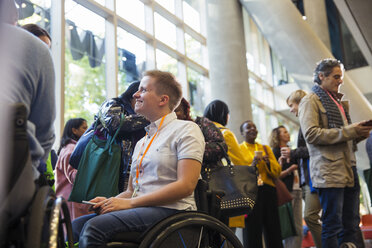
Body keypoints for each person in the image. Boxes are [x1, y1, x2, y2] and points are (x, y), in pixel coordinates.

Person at [71, 70, 205, 247]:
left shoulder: (186, 130)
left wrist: (130, 203)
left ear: (163, 100)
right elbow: (131, 190)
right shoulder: (142, 141)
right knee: (75, 226)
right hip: (143, 209)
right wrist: (111, 201)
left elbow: (186, 186)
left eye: (143, 90)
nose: (135, 94)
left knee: (93, 228)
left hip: (173, 211)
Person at [299, 58, 372, 247]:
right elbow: (311, 134)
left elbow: (341, 137)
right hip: (329, 171)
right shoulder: (310, 100)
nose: (340, 81)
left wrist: (359, 134)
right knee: (332, 225)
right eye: (336, 77)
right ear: (321, 76)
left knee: (350, 224)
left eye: (341, 77)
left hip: (348, 168)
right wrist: (350, 131)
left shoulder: (337, 101)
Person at [282, 89, 322, 247]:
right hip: (307, 179)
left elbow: (313, 148)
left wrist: (293, 153)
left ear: (300, 102)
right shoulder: (305, 121)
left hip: (313, 177)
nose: (291, 110)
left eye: (292, 105)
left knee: (310, 216)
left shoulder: (309, 121)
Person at [239, 120, 283, 248]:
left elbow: (277, 172)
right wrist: (252, 164)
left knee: (273, 228)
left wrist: (268, 162)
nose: (252, 129)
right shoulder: (240, 149)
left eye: (254, 127)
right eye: (248, 128)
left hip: (268, 191)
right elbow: (239, 172)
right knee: (252, 230)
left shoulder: (265, 148)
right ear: (242, 133)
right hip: (250, 193)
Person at [270, 125, 302, 247]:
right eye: (284, 132)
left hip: (297, 189)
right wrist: (290, 169)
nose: (288, 134)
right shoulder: (275, 152)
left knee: (298, 226)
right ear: (278, 136)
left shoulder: (291, 151)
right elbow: (275, 176)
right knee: (289, 226)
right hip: (286, 192)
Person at [175, 97, 227, 171]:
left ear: (185, 112)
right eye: (169, 112)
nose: (172, 115)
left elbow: (222, 147)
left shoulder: (201, 124)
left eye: (176, 111)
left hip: (209, 177)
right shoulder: (160, 132)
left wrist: (190, 148)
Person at [55, 118, 90, 220]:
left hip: (70, 199)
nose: (87, 131)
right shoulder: (71, 149)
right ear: (74, 130)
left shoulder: (69, 148)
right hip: (72, 201)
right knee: (73, 232)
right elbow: (74, 176)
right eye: (84, 128)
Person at [203, 99, 245, 166]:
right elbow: (240, 162)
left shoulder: (199, 130)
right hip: (217, 174)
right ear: (224, 115)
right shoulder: (226, 134)